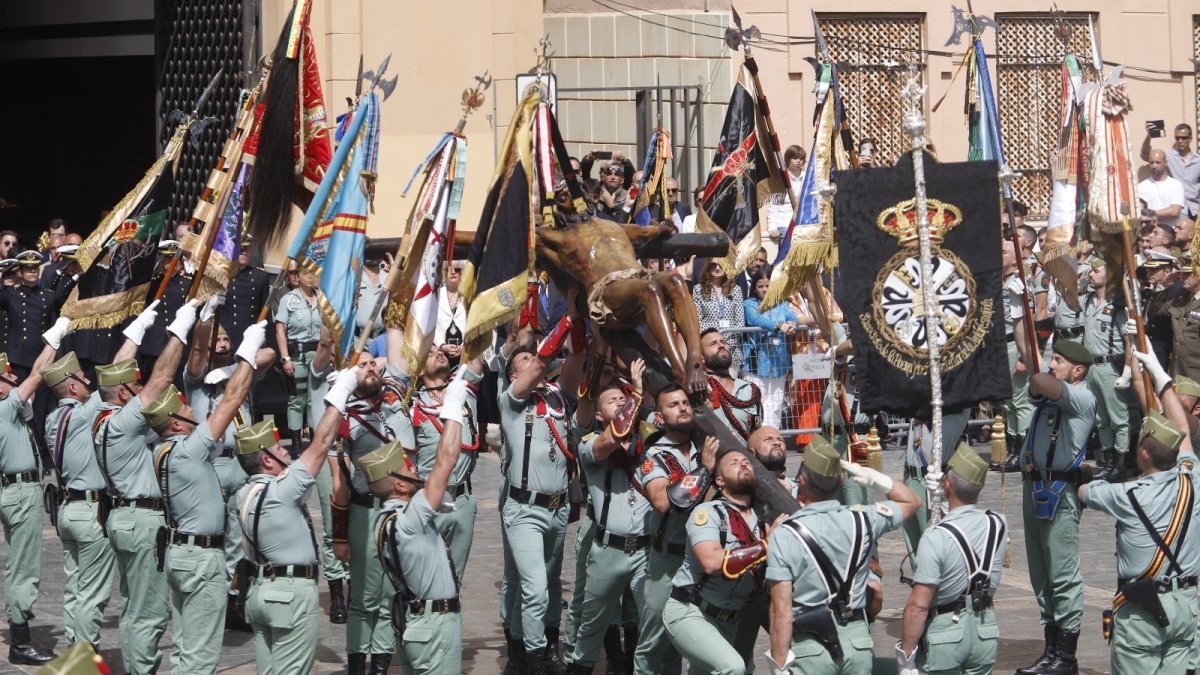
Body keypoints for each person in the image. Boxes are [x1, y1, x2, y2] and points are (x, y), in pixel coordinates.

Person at [142, 320, 266, 674]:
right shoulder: (190, 450)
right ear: (177, 424)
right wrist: (247, 355)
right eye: (185, 410)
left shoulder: (164, 450)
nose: (192, 411)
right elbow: (229, 403)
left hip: (180, 554)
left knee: (183, 645)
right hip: (200, 560)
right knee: (200, 652)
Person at [1082, 348, 1200, 673]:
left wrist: (1080, 480)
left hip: (1143, 612)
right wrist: (1161, 377)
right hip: (1185, 604)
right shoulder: (1193, 477)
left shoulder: (1125, 494)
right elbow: (1184, 434)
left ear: (1144, 454)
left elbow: (1085, 492)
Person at [92, 298, 193, 673]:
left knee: (135, 607)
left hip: (125, 518)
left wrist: (135, 333)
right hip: (141, 520)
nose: (140, 393)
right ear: (123, 395)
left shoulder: (102, 417)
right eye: (133, 388)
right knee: (148, 612)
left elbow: (115, 374)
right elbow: (162, 379)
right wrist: (178, 332)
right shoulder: (121, 422)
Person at [765, 437, 918, 674]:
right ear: (840, 478)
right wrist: (872, 476)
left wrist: (779, 664)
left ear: (802, 481)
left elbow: (781, 610)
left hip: (811, 648)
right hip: (857, 643)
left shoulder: (785, 534)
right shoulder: (863, 519)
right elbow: (911, 500)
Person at [232, 372, 346, 675]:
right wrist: (339, 394)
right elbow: (320, 446)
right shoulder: (279, 493)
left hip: (261, 592)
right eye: (281, 451)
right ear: (268, 460)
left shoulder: (245, 493)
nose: (287, 453)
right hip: (290, 595)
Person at [363, 373, 472, 675]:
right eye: (406, 469)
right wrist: (452, 406)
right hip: (435, 626)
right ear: (398, 487)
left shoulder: (383, 519)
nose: (413, 469)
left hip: (414, 626)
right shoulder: (410, 520)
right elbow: (446, 459)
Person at [500, 304, 585, 674]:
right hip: (524, 508)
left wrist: (579, 318)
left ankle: (547, 642)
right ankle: (532, 655)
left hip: (558, 506)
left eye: (533, 355)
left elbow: (578, 361)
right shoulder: (511, 399)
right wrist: (564, 321)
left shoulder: (557, 397)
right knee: (531, 587)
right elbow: (538, 366)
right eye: (523, 358)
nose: (532, 360)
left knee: (549, 583)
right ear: (512, 372)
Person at [183, 294, 277, 631]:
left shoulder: (241, 374)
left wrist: (237, 365)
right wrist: (204, 328)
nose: (221, 343)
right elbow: (195, 356)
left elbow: (269, 354)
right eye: (216, 340)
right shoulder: (196, 379)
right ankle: (211, 595)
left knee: (241, 535)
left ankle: (235, 598)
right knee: (212, 531)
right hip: (209, 463)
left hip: (241, 463)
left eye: (226, 339)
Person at [1013, 339, 1096, 675]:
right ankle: (1050, 650)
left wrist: (1041, 370)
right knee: (1040, 576)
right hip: (1034, 489)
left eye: (1059, 361)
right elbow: (1037, 384)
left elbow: (1039, 381)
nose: (1052, 365)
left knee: (1062, 576)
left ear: (1077, 370)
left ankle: (1066, 656)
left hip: (1059, 493)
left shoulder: (1082, 396)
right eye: (1052, 358)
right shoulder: (1051, 394)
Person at [568, 360, 650, 675]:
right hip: (607, 550)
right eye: (612, 400)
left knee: (649, 620)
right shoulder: (591, 442)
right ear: (599, 415)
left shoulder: (648, 442)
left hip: (645, 550)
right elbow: (608, 442)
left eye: (623, 397)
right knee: (592, 624)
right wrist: (636, 395)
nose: (620, 402)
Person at [664, 447, 777, 675]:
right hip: (690, 611)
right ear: (719, 480)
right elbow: (711, 561)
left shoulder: (765, 518)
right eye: (734, 463)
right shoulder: (708, 513)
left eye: (747, 462)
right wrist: (766, 545)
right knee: (733, 668)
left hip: (731, 619)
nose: (743, 464)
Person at [897, 445, 1006, 675]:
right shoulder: (998, 523)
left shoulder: (936, 537)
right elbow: (967, 522)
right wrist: (948, 501)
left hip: (946, 636)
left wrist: (906, 658)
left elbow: (918, 606)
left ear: (946, 484)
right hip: (984, 630)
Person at [634, 384, 719, 675]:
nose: (682, 407)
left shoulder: (706, 445)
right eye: (673, 404)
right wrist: (705, 470)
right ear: (659, 415)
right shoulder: (654, 454)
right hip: (668, 562)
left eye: (685, 402)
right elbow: (661, 500)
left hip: (705, 561)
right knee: (655, 646)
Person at [40, 338, 117, 646]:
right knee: (92, 593)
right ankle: (86, 656)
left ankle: (74, 651)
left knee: (74, 587)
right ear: (72, 386)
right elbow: (114, 375)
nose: (88, 382)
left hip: (68, 510)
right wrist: (134, 334)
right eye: (84, 378)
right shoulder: (83, 415)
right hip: (90, 512)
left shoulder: (51, 420)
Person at [0, 337, 62, 665]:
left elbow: (35, 376)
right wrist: (58, 336)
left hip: (16, 491)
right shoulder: (4, 408)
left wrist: (54, 337)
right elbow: (38, 375)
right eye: (8, 379)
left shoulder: (11, 410)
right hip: (19, 491)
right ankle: (21, 643)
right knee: (24, 567)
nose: (14, 382)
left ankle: (21, 636)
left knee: (21, 564)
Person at [407, 344, 485, 574]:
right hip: (431, 500)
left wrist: (473, 332)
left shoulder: (462, 391)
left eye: (439, 350)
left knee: (455, 580)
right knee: (427, 576)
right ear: (419, 370)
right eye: (429, 354)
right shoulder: (413, 406)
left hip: (463, 500)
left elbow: (475, 361)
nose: (438, 354)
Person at [1079, 258, 1133, 482]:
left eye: (1096, 271)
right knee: (1101, 419)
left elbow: (1129, 340)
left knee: (1118, 418)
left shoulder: (1117, 305)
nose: (1091, 274)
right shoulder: (1089, 300)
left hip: (1110, 365)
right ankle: (1108, 461)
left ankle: (1120, 463)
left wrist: (1128, 370)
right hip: (1092, 366)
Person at [743, 272, 800, 429]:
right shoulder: (749, 304)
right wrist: (778, 326)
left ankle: (774, 435)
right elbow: (755, 320)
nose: (764, 289)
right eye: (760, 286)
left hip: (779, 361)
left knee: (776, 402)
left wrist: (792, 324)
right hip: (756, 360)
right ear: (754, 288)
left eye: (767, 286)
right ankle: (758, 437)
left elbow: (794, 317)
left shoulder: (781, 303)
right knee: (757, 402)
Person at [275, 266, 323, 449]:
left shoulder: (322, 298)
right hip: (297, 353)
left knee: (315, 398)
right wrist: (285, 358)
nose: (310, 278)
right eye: (306, 274)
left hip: (318, 353)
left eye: (314, 274)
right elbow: (280, 330)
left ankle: (314, 442)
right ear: (297, 276)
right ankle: (295, 443)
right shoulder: (288, 299)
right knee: (297, 398)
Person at [701, 328, 762, 442]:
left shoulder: (750, 390)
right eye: (713, 343)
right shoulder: (700, 389)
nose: (721, 345)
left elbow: (756, 429)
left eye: (723, 342)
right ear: (701, 357)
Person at [692, 260, 745, 372]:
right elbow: (698, 321)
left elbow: (740, 323)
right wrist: (713, 340)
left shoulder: (736, 290)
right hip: (710, 351)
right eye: (713, 265)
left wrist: (725, 344)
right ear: (707, 267)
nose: (717, 268)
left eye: (721, 264)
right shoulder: (698, 289)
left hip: (732, 349)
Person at [1142, 122, 1200, 219]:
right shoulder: (1167, 155)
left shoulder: (1198, 160)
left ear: (1190, 138)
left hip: (1194, 210)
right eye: (1177, 138)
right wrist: (1149, 136)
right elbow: (1145, 155)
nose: (1180, 141)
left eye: (1184, 138)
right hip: (1174, 210)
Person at [219, 240, 270, 350]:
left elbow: (264, 312)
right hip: (225, 335)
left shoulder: (260, 277)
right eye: (241, 249)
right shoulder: (221, 274)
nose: (244, 253)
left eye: (247, 249)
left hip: (249, 335)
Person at [1138, 149, 1186, 227]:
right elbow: (1141, 212)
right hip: (1150, 232)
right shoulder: (1141, 186)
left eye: (1158, 162)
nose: (1154, 166)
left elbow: (1174, 212)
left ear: (1165, 163)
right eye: (1151, 162)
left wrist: (1151, 213)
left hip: (1170, 232)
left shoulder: (1175, 185)